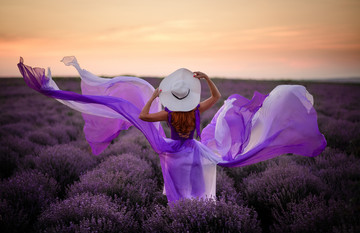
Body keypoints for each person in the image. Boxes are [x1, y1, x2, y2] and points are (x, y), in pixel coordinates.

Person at [17, 56, 327, 203]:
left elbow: (139, 115)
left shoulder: (166, 113)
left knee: (177, 190)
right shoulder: (195, 109)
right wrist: (206, 78)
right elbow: (218, 98)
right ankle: (200, 216)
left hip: (172, 153)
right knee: (200, 188)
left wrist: (152, 96)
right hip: (195, 151)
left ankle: (179, 217)